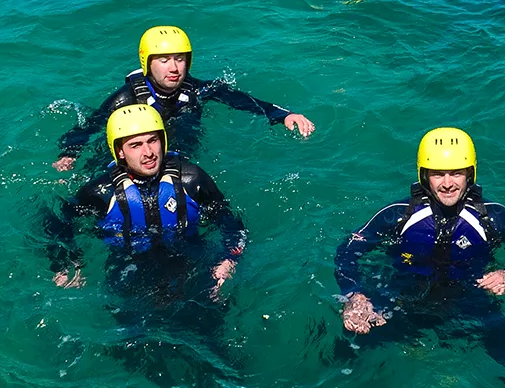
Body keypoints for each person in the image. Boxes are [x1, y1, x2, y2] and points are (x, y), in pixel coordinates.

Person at [334, 127, 505, 387]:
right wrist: (355, 295)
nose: (448, 183)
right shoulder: (397, 215)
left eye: (457, 173)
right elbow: (347, 252)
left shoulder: (493, 217)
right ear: (424, 176)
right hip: (401, 301)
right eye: (438, 174)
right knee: (342, 360)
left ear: (470, 174)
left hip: (470, 301)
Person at [44, 105, 248, 385]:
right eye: (135, 144)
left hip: (188, 262)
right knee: (141, 353)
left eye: (153, 140)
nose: (148, 152)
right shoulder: (99, 193)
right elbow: (57, 223)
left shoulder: (191, 179)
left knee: (214, 347)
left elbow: (232, 225)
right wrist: (68, 262)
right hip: (129, 270)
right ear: (120, 152)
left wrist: (229, 259)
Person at [52, 26, 314, 171]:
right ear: (147, 63)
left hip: (180, 159)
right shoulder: (126, 98)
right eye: (164, 60)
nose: (174, 68)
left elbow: (242, 100)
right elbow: (90, 126)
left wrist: (283, 115)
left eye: (180, 59)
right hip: (135, 160)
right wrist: (69, 153)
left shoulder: (196, 89)